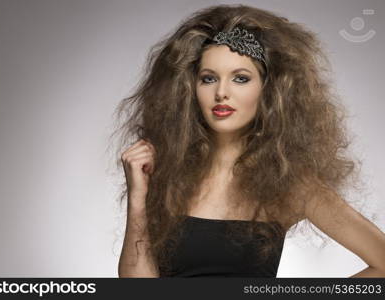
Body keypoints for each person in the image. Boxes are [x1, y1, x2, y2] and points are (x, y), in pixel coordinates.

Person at [112, 4, 385, 277]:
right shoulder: (168, 174)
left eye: (240, 78)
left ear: (269, 91)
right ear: (189, 88)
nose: (221, 92)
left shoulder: (288, 184)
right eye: (208, 79)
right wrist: (138, 197)